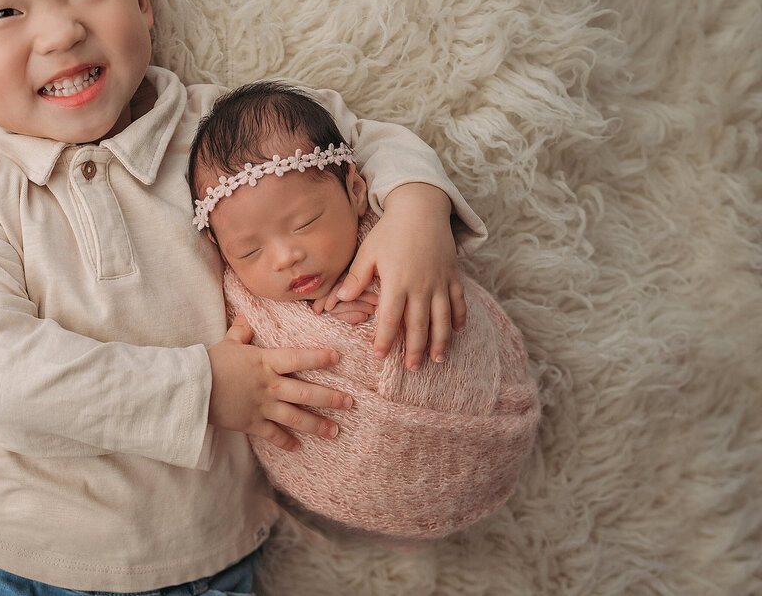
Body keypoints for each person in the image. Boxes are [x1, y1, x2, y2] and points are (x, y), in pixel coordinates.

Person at [0, 0, 487, 595]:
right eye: (3, 12)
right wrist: (207, 389)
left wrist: (416, 212)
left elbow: (368, 141)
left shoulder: (220, 132)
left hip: (212, 557)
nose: (61, 30)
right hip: (17, 554)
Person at [188, 82, 539, 544]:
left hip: (479, 411)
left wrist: (413, 218)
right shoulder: (242, 301)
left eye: (305, 223)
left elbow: (397, 185)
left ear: (355, 189)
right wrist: (315, 325)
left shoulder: (383, 220)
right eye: (249, 251)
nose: (284, 258)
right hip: (336, 470)